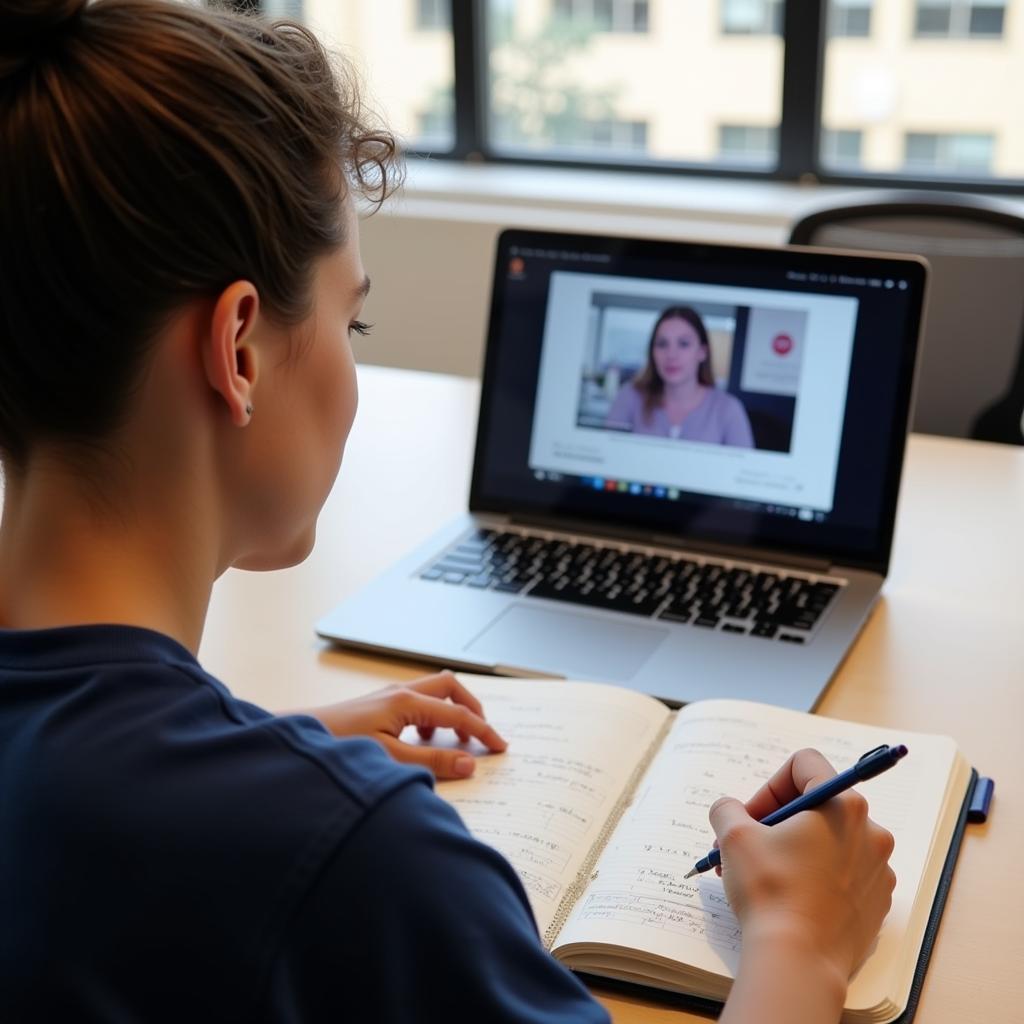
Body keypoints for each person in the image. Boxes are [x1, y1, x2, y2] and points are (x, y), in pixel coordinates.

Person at [0, 2, 895, 1022]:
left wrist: (261, 740)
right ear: (239, 350)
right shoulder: (362, 859)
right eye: (353, 316)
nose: (352, 357)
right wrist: (799, 943)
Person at [605, 305, 756, 447]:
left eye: (683, 344)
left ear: (702, 352)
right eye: (662, 344)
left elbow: (743, 471)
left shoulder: (728, 409)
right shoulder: (629, 397)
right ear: (652, 352)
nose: (671, 355)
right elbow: (606, 459)